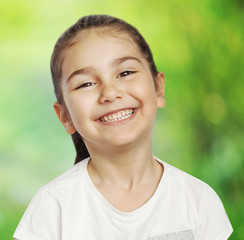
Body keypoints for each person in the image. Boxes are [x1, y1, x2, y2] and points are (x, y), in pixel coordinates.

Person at [13, 14, 233, 240]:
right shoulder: (54, 206)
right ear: (65, 116)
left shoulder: (198, 200)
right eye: (86, 83)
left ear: (158, 88)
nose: (109, 93)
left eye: (125, 73)